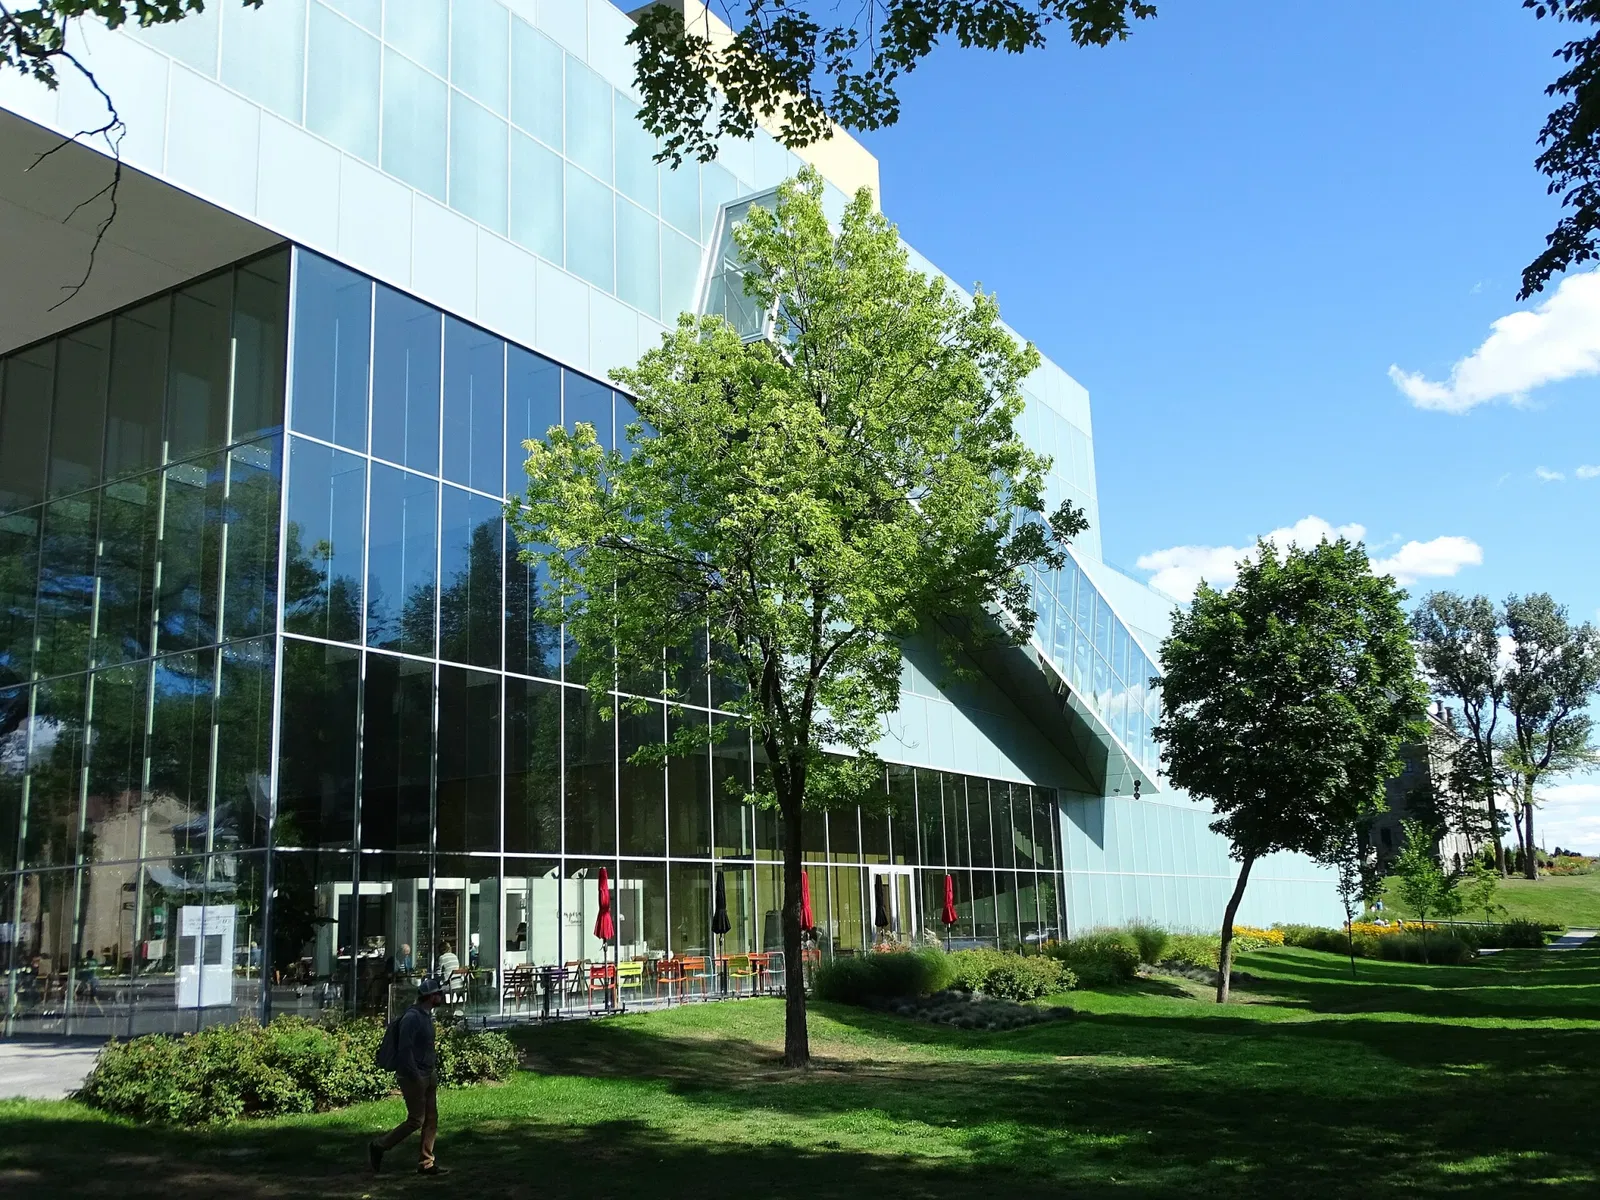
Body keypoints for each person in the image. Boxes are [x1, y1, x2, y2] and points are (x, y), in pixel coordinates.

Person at [369, 976, 447, 1176]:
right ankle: (379, 1146)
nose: (441, 996)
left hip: (428, 1073)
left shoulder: (426, 1015)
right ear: (431, 997)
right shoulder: (412, 1018)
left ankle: (427, 1163)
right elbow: (405, 1050)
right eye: (438, 993)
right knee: (416, 1120)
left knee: (431, 1119)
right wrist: (416, 1076)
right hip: (413, 1076)